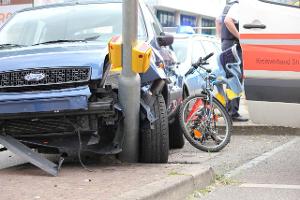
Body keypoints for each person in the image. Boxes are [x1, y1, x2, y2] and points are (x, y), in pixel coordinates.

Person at [220, 0, 248, 122]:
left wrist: (221, 39)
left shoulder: (229, 6)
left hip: (229, 44)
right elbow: (227, 21)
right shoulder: (237, 6)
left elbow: (218, 21)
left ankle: (229, 111)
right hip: (233, 46)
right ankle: (232, 112)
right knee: (234, 78)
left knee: (232, 77)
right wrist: (240, 36)